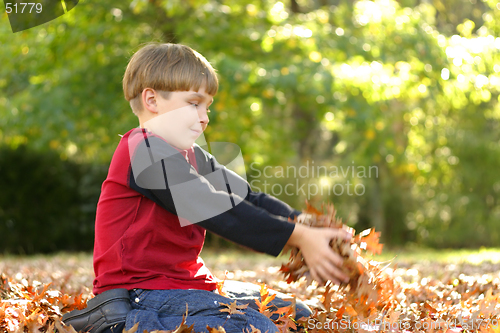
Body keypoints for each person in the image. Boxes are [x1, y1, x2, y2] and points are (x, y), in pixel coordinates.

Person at [90, 43, 351, 333]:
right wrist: (296, 236)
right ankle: (125, 326)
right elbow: (213, 207)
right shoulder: (144, 149)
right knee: (255, 328)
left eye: (207, 107)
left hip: (187, 287)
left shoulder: (190, 153)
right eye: (193, 103)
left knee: (295, 315)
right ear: (151, 100)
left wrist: (302, 222)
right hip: (140, 294)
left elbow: (245, 196)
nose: (205, 118)